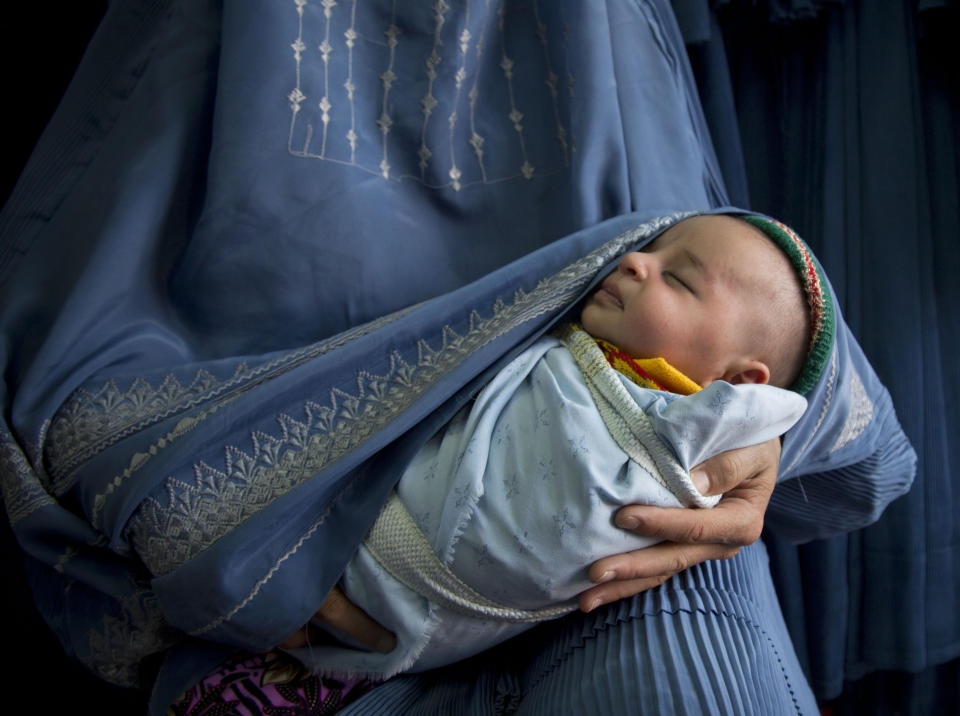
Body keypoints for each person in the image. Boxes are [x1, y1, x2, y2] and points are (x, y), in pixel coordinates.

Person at [269, 214, 819, 682]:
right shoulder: (577, 341)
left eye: (676, 278)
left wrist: (756, 436)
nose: (632, 260)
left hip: (404, 597)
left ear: (742, 384)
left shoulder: (681, 440)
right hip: (326, 519)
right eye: (648, 248)